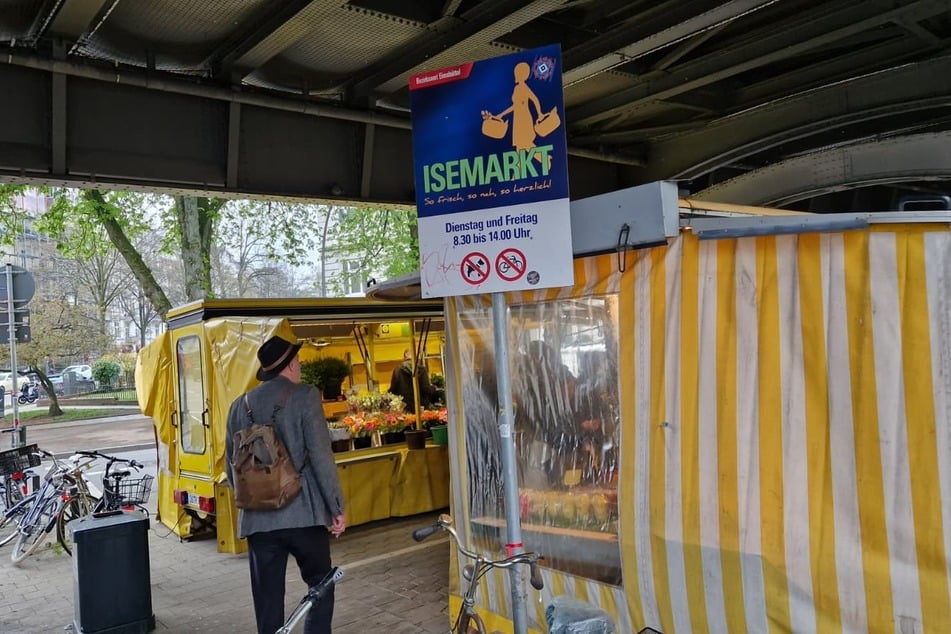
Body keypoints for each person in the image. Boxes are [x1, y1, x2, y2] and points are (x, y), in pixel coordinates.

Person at [225, 335, 347, 634]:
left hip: (258, 522)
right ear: (291, 365)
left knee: (267, 602)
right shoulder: (305, 396)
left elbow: (231, 466)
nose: (301, 367)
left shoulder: (238, 406)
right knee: (321, 584)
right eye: (299, 362)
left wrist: (256, 496)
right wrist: (337, 508)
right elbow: (321, 456)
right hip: (303, 513)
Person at [388, 349, 434, 415]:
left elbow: (393, 390)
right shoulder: (421, 369)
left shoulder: (397, 370)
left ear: (404, 357)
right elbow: (425, 389)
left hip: (405, 407)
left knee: (409, 423)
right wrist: (433, 388)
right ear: (416, 357)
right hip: (421, 406)